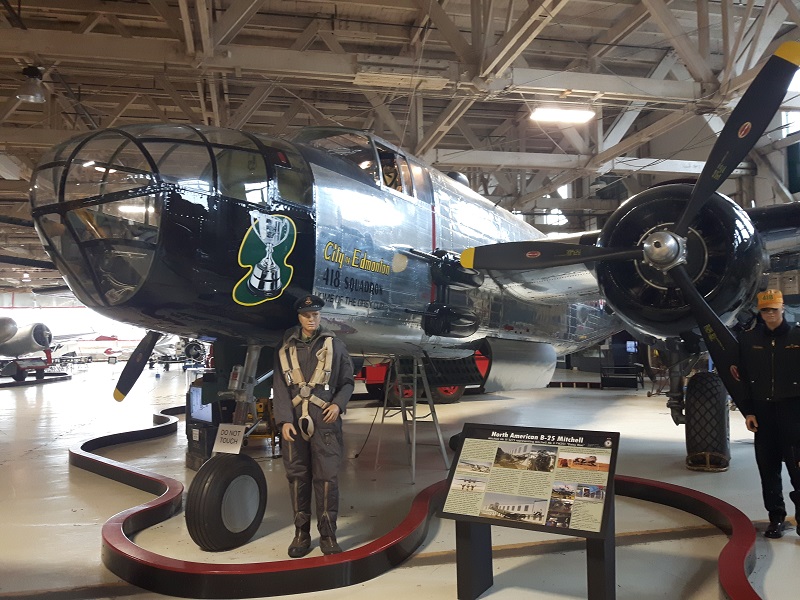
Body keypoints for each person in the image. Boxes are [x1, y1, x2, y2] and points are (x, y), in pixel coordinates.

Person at [272, 294, 354, 556]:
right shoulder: (285, 349)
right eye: (307, 315)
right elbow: (280, 386)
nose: (311, 319)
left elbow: (348, 381)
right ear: (299, 317)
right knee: (297, 478)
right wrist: (283, 419)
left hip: (325, 423)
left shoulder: (335, 346)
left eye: (316, 315)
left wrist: (338, 404)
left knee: (327, 478)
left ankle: (328, 535)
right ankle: (301, 533)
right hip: (294, 423)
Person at [735, 289, 800, 539]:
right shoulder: (748, 340)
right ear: (759, 313)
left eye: (773, 309)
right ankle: (776, 518)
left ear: (782, 308)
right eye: (765, 310)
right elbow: (743, 380)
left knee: (797, 472)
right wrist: (749, 411)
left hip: (793, 414)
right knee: (768, 471)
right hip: (763, 414)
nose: (769, 314)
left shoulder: (797, 335)